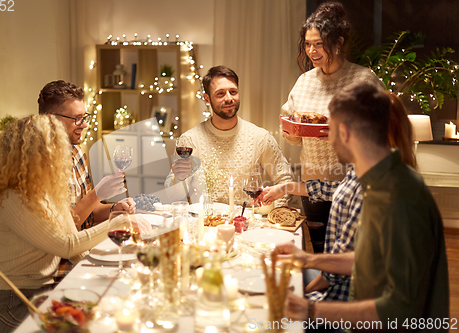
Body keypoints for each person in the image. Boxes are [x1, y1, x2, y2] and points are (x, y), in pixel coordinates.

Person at [277, 82, 448, 330]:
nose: (328, 137)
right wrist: (307, 259)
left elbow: (400, 311)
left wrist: (311, 309)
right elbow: (369, 261)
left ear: (345, 133)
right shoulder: (376, 179)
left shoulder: (398, 197)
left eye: (330, 129)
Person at [0, 115, 131, 332]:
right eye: (56, 149)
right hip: (8, 303)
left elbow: (75, 249)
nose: (63, 156)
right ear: (34, 155)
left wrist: (104, 274)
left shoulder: (47, 191)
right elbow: (66, 245)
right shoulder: (12, 198)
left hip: (41, 295)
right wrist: (119, 222)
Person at [257, 90, 417, 302]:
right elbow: (335, 189)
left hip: (345, 298)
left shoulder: (372, 191)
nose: (329, 137)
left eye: (334, 129)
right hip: (336, 281)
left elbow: (338, 272)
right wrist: (285, 187)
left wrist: (298, 295)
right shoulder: (366, 168)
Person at [281, 2, 383, 234]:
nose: (312, 51)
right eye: (307, 44)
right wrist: (292, 133)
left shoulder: (363, 79)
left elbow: (384, 132)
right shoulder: (304, 81)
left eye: (319, 44)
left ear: (338, 43)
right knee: (319, 248)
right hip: (313, 185)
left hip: (354, 185)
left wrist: (342, 134)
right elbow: (294, 133)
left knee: (353, 255)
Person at [166, 65, 293, 206]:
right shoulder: (189, 140)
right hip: (205, 223)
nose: (229, 98)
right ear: (207, 99)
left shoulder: (260, 138)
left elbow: (286, 180)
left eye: (233, 92)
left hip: (247, 225)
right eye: (220, 94)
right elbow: (173, 197)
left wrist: (273, 215)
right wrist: (178, 178)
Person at [38, 80, 135, 229]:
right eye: (76, 118)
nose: (84, 124)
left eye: (84, 117)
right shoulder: (37, 165)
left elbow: (88, 212)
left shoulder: (77, 153)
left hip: (84, 245)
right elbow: (60, 230)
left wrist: (115, 209)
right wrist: (96, 195)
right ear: (51, 119)